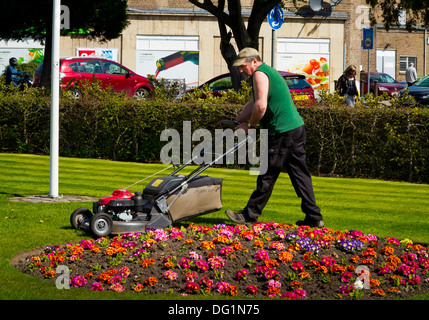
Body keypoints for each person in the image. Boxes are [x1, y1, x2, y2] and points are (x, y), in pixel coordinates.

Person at [224, 47, 324, 228]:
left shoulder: (259, 74)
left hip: (282, 132)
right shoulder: (267, 72)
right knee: (300, 175)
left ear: (254, 61)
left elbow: (261, 107)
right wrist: (238, 121)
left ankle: (249, 215)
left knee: (267, 173)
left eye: (242, 66)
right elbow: (254, 103)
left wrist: (251, 127)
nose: (240, 70)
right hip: (295, 129)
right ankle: (314, 217)